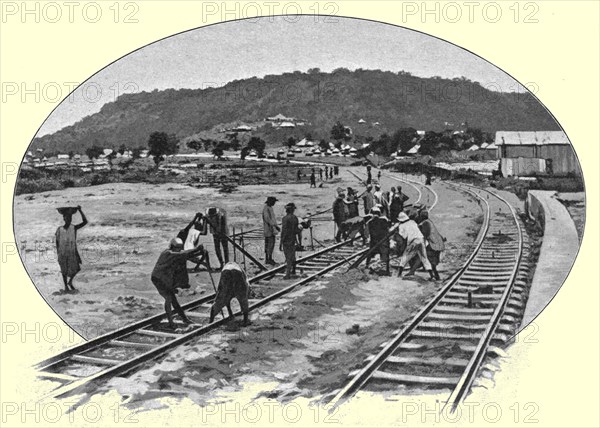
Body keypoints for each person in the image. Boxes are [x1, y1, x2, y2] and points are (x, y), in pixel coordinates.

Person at [151, 237, 206, 329]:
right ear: (172, 247)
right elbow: (182, 254)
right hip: (158, 279)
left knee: (174, 301)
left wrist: (199, 252)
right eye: (177, 248)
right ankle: (171, 323)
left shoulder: (176, 254)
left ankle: (184, 319)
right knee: (169, 298)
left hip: (166, 279)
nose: (179, 250)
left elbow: (187, 256)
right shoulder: (167, 253)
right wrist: (197, 249)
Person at [55, 206, 88, 292]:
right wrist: (58, 253)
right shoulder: (59, 229)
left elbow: (85, 222)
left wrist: (80, 210)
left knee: (76, 268)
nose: (69, 219)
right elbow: (57, 242)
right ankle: (66, 286)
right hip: (62, 253)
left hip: (72, 252)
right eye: (67, 217)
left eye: (70, 217)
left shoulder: (74, 228)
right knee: (64, 270)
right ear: (64, 218)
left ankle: (70, 282)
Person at [395, 212, 435, 280]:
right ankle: (431, 275)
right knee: (424, 258)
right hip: (421, 240)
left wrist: (397, 232)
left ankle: (399, 274)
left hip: (413, 242)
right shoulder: (413, 222)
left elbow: (404, 236)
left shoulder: (401, 226)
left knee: (405, 257)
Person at [407, 210, 444, 280]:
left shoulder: (425, 223)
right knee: (428, 260)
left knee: (423, 257)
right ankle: (434, 276)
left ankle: (413, 271)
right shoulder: (429, 222)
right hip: (437, 244)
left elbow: (423, 235)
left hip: (434, 245)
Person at [365, 207, 390, 275]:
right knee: (385, 255)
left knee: (370, 254)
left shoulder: (369, 222)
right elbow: (388, 230)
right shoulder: (384, 220)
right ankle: (387, 270)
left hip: (374, 242)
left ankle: (367, 266)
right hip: (383, 242)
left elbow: (366, 234)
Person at [280, 202, 300, 279]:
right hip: (293, 238)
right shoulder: (295, 218)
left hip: (286, 239)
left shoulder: (285, 219)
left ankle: (288, 274)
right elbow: (296, 230)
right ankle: (294, 270)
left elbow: (284, 231)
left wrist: (281, 242)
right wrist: (298, 241)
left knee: (288, 257)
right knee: (293, 255)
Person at [262, 196, 280, 265]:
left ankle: (270, 258)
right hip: (268, 229)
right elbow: (267, 219)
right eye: (273, 202)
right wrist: (275, 226)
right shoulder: (266, 209)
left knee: (271, 244)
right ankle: (268, 259)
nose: (274, 203)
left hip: (272, 229)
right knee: (269, 244)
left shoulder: (270, 208)